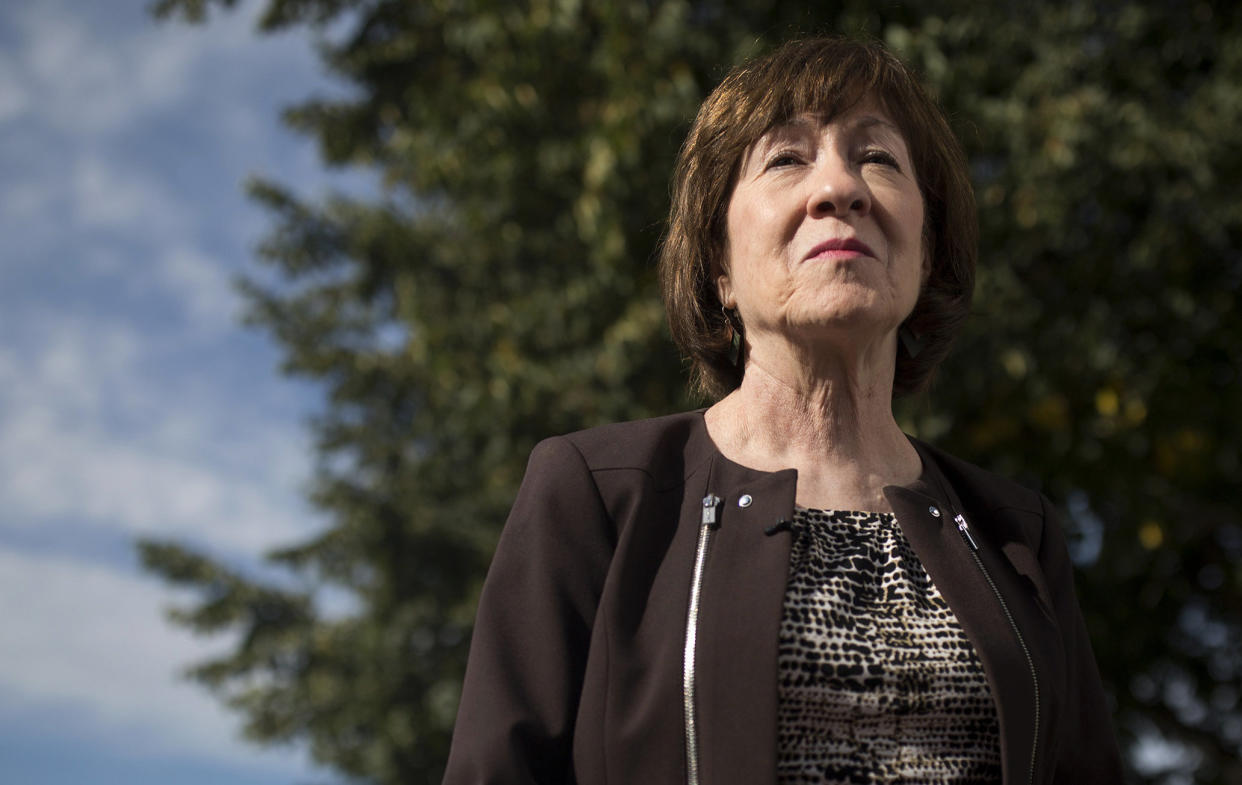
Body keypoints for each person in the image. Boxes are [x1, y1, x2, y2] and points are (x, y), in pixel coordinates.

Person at [443, 37, 1124, 785]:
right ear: (719, 267)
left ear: (927, 252)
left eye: (879, 158)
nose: (840, 187)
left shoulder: (1017, 534)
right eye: (786, 159)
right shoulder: (598, 494)